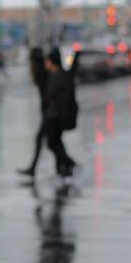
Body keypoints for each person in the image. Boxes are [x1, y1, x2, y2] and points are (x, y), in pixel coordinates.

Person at [44, 48, 77, 178]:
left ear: (52, 61)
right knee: (57, 142)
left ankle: (69, 163)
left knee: (52, 143)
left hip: (57, 116)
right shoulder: (55, 75)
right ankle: (62, 168)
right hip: (55, 115)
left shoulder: (59, 76)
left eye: (47, 61)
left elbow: (59, 97)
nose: (45, 63)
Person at [17, 47, 49, 177]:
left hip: (50, 113)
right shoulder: (41, 72)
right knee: (53, 143)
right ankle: (66, 165)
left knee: (47, 141)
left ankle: (68, 165)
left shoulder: (42, 73)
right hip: (47, 112)